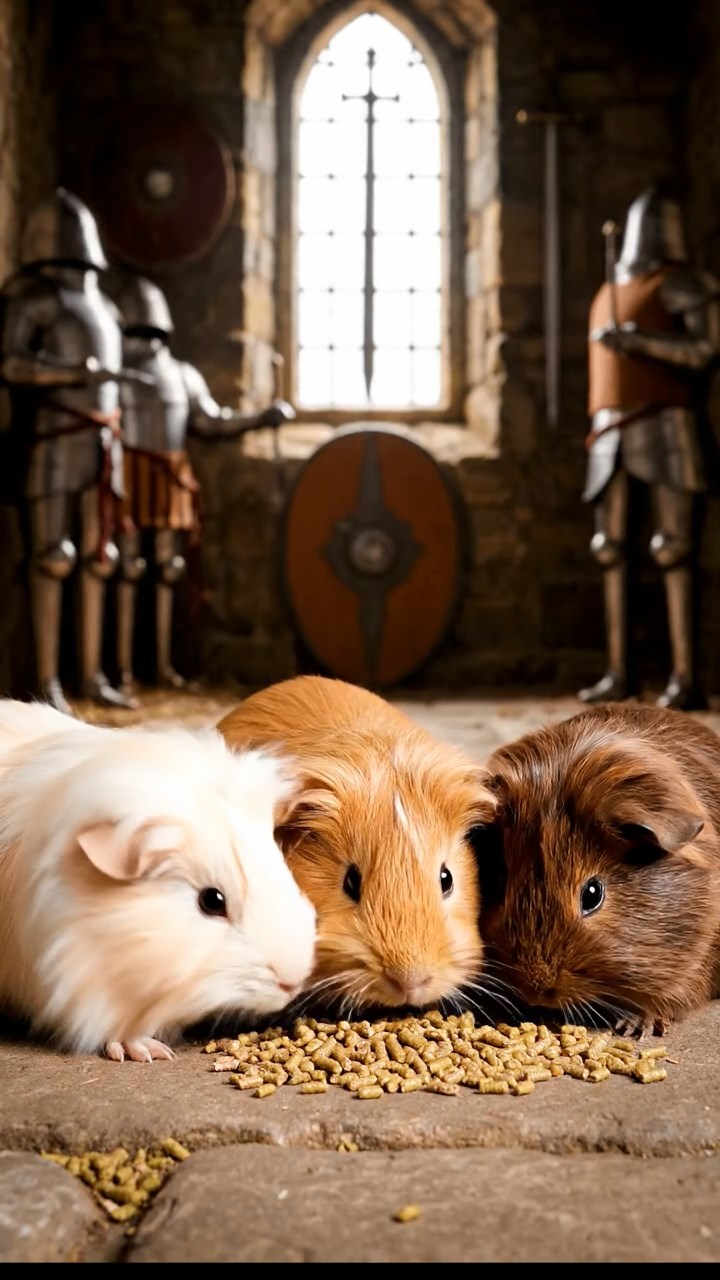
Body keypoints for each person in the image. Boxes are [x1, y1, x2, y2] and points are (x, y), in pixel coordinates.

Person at [114, 274, 295, 694]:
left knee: (168, 568)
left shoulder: (182, 375)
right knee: (121, 567)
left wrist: (261, 416)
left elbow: (212, 421)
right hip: (124, 474)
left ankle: (160, 667)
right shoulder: (116, 373)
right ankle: (118, 671)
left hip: (169, 474)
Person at [579, 183, 720, 711]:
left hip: (665, 426)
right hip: (610, 428)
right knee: (609, 549)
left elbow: (706, 349)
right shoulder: (610, 289)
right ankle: (620, 673)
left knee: (673, 548)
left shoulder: (684, 285)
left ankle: (685, 678)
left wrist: (637, 341)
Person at [0, 187, 138, 713]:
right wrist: (69, 373)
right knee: (52, 559)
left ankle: (90, 674)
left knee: (100, 559)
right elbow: (11, 364)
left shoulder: (103, 306)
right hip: (53, 441)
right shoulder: (31, 297)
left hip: (102, 442)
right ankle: (47, 681)